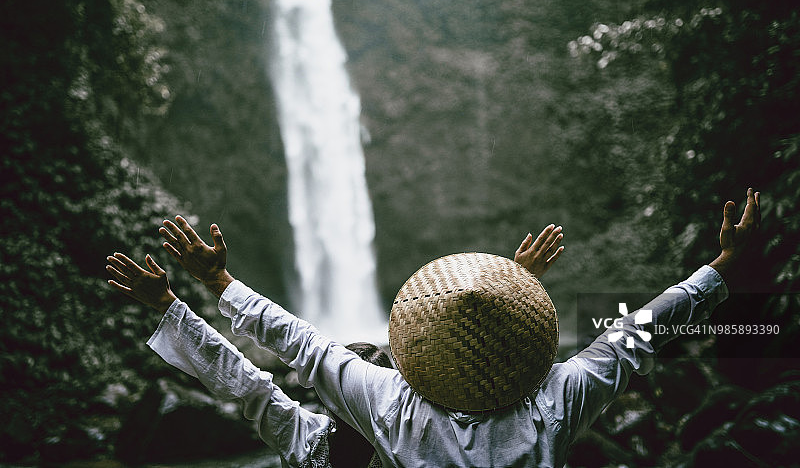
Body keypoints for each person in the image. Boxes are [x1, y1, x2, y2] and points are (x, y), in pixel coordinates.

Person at [113, 188, 759, 467]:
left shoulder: (384, 414)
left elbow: (275, 364)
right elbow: (635, 336)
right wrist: (724, 265)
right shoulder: (553, 407)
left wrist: (204, 290)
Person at [107, 223, 564, 467]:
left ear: (335, 400)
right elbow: (481, 379)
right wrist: (514, 288)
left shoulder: (309, 441)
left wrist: (176, 301)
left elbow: (242, 380)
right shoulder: (422, 430)